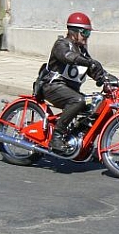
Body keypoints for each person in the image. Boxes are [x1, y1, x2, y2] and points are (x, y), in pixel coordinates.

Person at [41, 12, 107, 152]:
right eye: (85, 32)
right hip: (52, 86)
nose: (87, 36)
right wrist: (88, 62)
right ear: (73, 32)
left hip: (68, 90)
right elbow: (67, 56)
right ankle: (57, 137)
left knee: (95, 106)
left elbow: (94, 71)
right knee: (78, 100)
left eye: (88, 33)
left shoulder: (82, 51)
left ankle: (81, 140)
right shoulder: (61, 44)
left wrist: (114, 81)